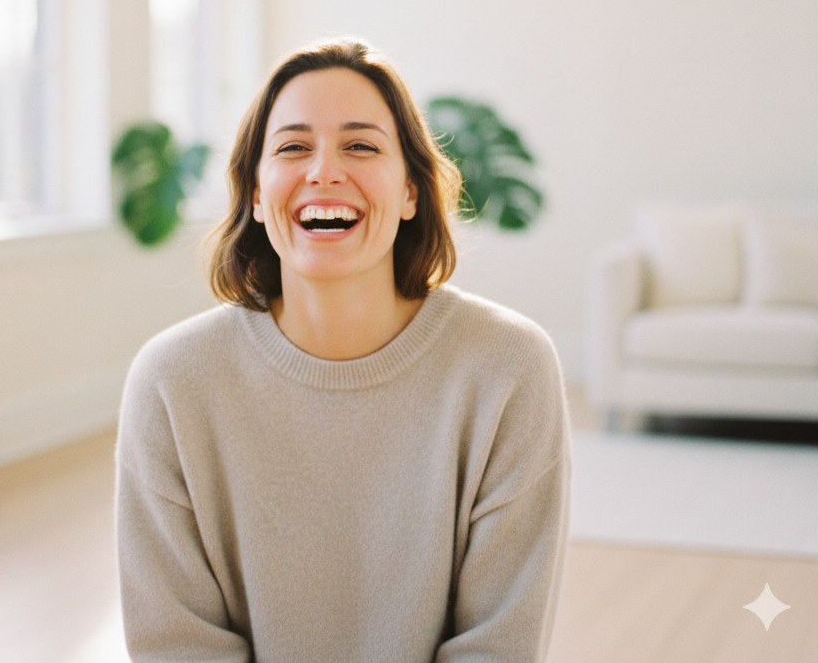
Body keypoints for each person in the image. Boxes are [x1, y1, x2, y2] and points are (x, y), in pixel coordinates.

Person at [116, 38, 570, 663]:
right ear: (254, 192)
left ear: (411, 189)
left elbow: (498, 646)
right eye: (293, 147)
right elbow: (177, 647)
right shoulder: (173, 380)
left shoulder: (509, 367)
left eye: (360, 145)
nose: (324, 172)